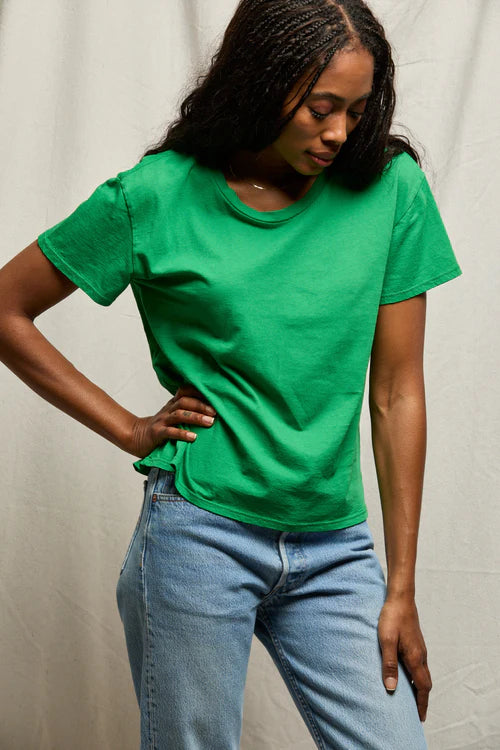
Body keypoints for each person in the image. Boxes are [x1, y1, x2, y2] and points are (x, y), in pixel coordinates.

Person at [0, 0, 463, 748]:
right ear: (261, 82)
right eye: (321, 109)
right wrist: (128, 428)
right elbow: (6, 309)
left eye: (357, 110)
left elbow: (397, 391)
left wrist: (400, 587)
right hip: (199, 535)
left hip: (334, 545)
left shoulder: (389, 188)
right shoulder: (157, 194)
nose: (340, 133)